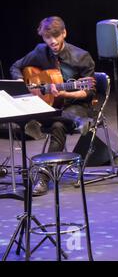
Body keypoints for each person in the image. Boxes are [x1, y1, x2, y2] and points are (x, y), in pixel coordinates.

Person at [10, 16, 95, 196]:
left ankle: (43, 177)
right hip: (51, 105)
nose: (53, 41)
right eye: (48, 37)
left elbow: (88, 92)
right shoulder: (40, 51)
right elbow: (16, 67)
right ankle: (76, 122)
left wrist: (64, 93)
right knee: (51, 118)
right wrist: (23, 83)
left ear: (64, 33)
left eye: (56, 36)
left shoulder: (82, 56)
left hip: (76, 104)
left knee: (57, 124)